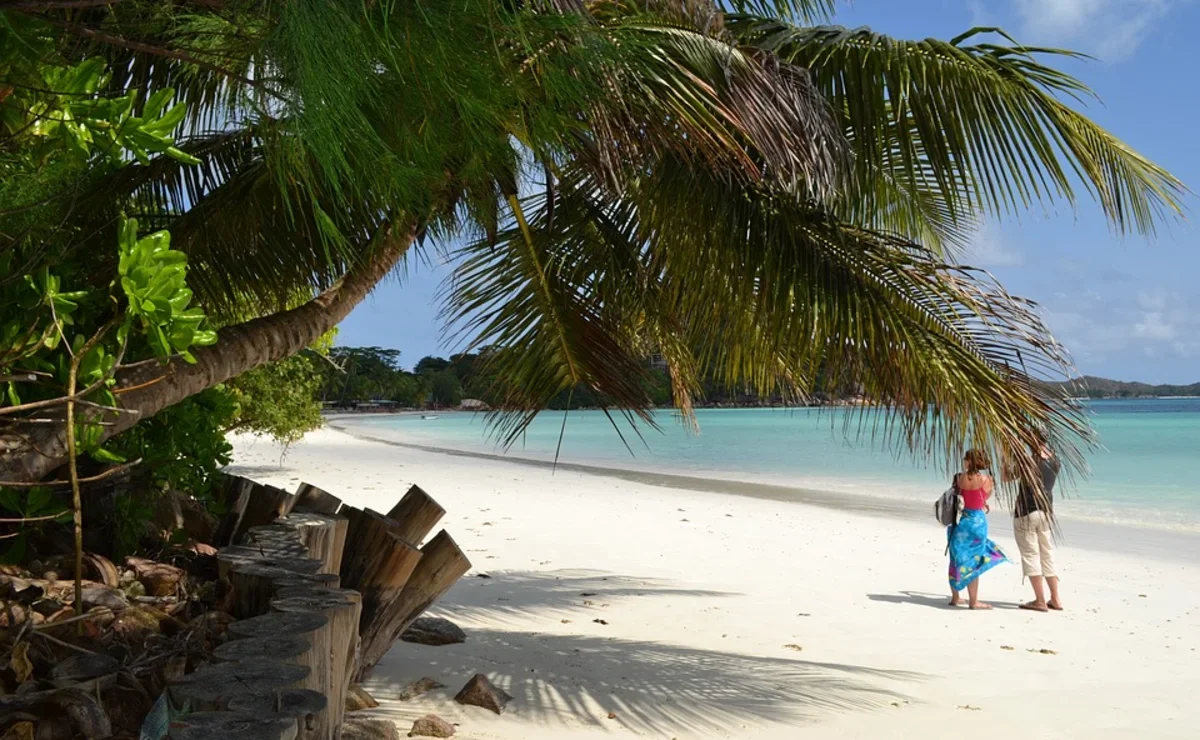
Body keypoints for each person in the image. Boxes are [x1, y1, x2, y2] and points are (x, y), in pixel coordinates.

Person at [948, 448, 1008, 609]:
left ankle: (955, 597)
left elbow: (956, 498)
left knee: (956, 558)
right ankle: (973, 601)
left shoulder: (959, 478)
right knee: (974, 561)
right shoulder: (987, 480)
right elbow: (983, 498)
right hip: (977, 522)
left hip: (961, 522)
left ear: (968, 461)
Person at [1013, 438, 1063, 612]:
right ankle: (1055, 598)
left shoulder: (1028, 460)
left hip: (1027, 511)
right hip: (1046, 511)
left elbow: (1007, 477)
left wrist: (1007, 458)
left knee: (1031, 555)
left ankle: (1040, 600)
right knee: (1047, 554)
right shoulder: (1055, 460)